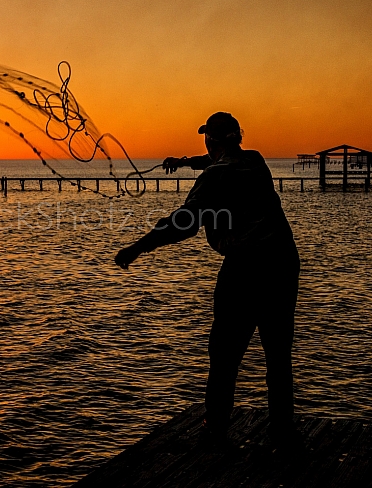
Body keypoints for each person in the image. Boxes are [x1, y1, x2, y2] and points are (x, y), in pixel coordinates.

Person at [115, 112, 300, 447]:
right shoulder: (255, 162)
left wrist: (138, 247)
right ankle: (282, 430)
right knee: (277, 353)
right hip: (283, 262)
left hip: (246, 268)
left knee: (224, 353)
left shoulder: (215, 177)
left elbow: (183, 223)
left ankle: (215, 427)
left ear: (211, 141)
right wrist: (185, 162)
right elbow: (218, 162)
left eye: (207, 140)